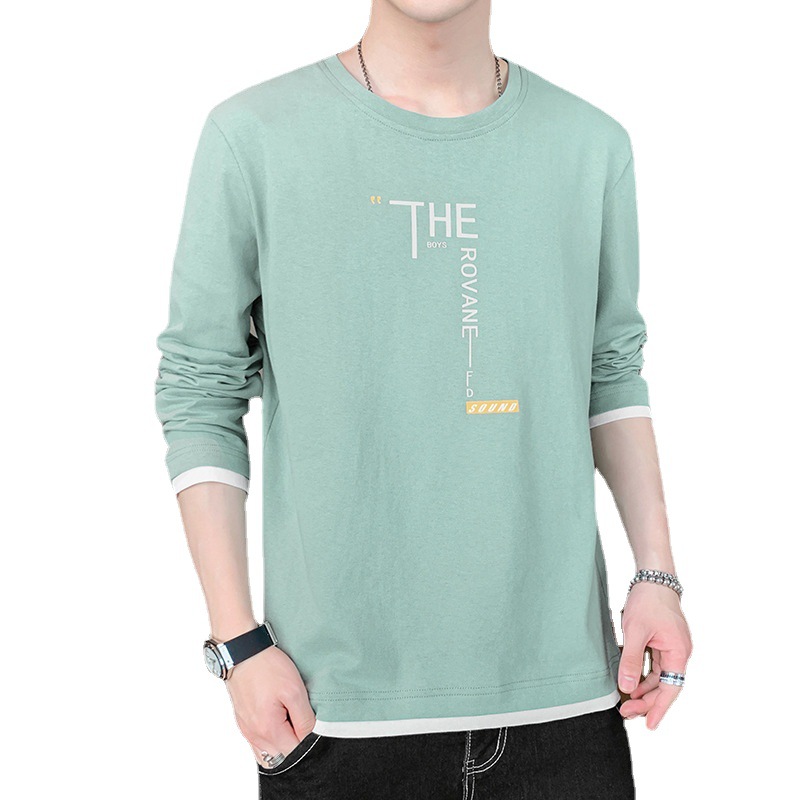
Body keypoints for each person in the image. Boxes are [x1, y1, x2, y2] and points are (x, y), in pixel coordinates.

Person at [154, 1, 692, 797]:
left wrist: (657, 575)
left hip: (569, 712)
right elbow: (200, 386)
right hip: (332, 717)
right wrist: (238, 644)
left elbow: (609, 370)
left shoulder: (590, 146)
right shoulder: (256, 137)